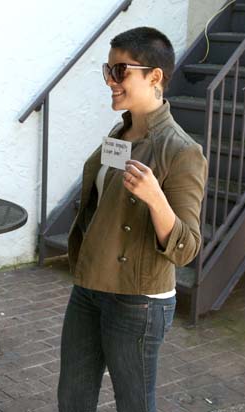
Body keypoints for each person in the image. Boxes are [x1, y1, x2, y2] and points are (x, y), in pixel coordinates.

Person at [57, 27, 207, 412]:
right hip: (91, 285)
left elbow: (188, 247)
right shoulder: (120, 132)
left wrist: (157, 199)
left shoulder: (182, 152)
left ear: (154, 77)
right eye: (108, 71)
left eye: (120, 71)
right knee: (72, 398)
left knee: (135, 404)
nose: (111, 81)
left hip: (137, 300)